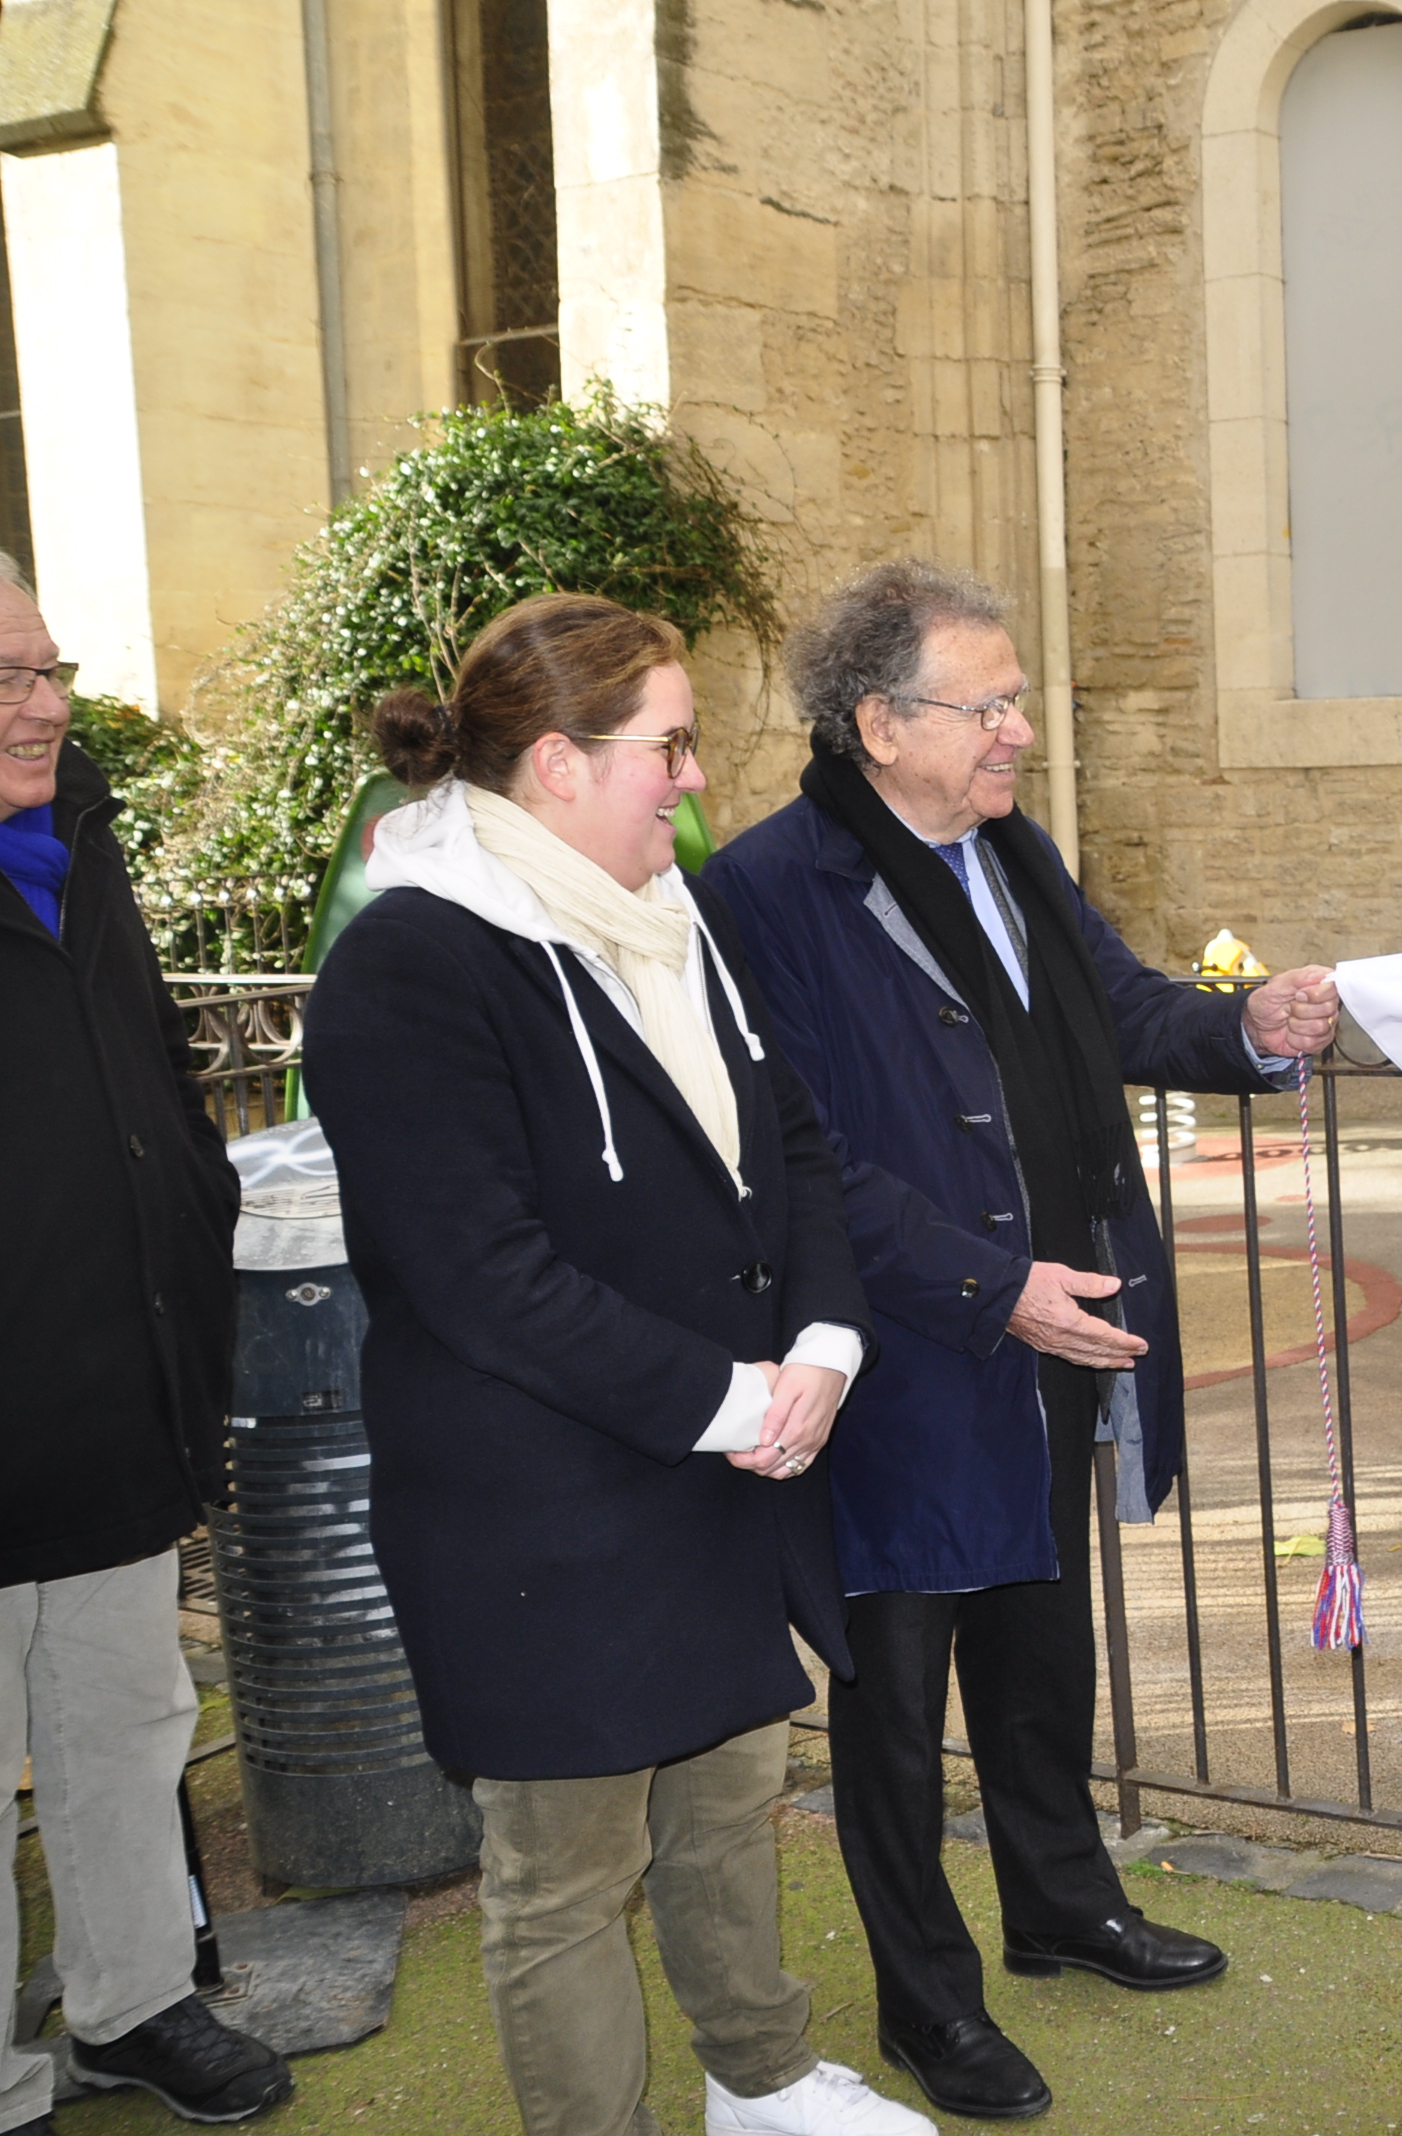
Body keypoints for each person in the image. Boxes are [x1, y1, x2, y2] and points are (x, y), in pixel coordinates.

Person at [705, 562, 1342, 2123]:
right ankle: (932, 2007)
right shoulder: (770, 892)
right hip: (904, 1358)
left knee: (1042, 1647)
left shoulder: (1013, 852)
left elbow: (1120, 1008)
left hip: (1067, 1325)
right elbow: (800, 1155)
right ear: (878, 725)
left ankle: (1065, 1909)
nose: (1018, 733)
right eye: (984, 705)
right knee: (899, 1703)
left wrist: (1247, 1029)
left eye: (1016, 700)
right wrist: (990, 1287)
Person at [306, 594, 931, 2136]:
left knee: (728, 1803)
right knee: (567, 1876)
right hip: (540, 1510)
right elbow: (480, 1278)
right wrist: (736, 1401)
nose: (694, 780)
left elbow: (789, 1144)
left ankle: (763, 2082)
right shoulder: (411, 968)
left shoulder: (671, 917)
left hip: (726, 1468)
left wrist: (827, 1344)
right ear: (557, 767)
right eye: (667, 745)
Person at [2, 561, 294, 2135]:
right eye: (4, 681)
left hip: (118, 1376)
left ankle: (130, 2004)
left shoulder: (79, 827)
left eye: (50, 670)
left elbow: (144, 1065)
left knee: (123, 1720)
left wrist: (184, 1199)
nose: (44, 706)